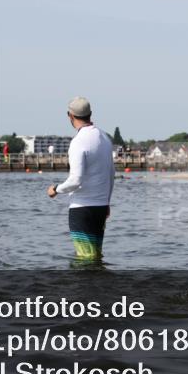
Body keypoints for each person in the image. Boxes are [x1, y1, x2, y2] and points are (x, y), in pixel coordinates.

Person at [47, 97, 114, 261]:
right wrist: (106, 202)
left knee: (84, 259)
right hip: (100, 207)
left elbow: (76, 180)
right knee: (95, 257)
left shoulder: (78, 142)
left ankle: (83, 287)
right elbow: (111, 174)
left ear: (70, 115)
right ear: (90, 114)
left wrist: (55, 189)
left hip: (82, 209)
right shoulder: (104, 137)